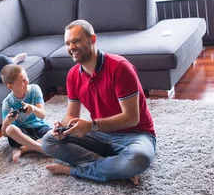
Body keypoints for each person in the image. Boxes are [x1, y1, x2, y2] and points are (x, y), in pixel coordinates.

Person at [41, 20, 156, 186]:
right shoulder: (73, 75)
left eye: (76, 41)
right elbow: (72, 115)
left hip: (135, 135)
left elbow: (132, 118)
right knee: (48, 141)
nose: (71, 47)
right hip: (100, 134)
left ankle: (76, 171)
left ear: (93, 39)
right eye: (67, 43)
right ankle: (110, 166)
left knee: (138, 159)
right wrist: (62, 127)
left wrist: (90, 126)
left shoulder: (120, 68)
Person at [0, 64, 52, 162]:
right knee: (10, 129)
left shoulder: (34, 89)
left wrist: (33, 108)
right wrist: (7, 121)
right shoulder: (7, 103)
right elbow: (4, 133)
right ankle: (41, 148)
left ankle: (23, 149)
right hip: (21, 134)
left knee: (55, 134)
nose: (27, 81)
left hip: (39, 127)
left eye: (26, 77)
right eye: (22, 81)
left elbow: (42, 115)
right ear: (10, 86)